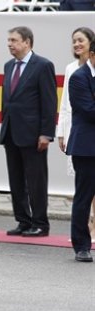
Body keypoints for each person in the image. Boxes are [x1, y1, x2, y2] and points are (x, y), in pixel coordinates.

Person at [0, 26, 57, 238]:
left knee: (36, 181)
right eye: (9, 40)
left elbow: (49, 102)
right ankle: (23, 221)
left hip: (33, 134)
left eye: (14, 40)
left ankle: (41, 223)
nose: (10, 44)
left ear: (27, 42)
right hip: (11, 132)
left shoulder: (42, 66)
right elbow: (7, 100)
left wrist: (46, 133)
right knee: (16, 180)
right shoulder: (8, 66)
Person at [57, 27, 95, 240]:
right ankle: (83, 238)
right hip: (83, 139)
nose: (77, 44)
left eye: (81, 40)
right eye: (74, 41)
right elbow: (70, 106)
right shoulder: (75, 72)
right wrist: (61, 131)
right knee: (84, 192)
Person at [66, 42, 95, 262]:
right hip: (87, 148)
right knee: (84, 197)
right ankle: (82, 245)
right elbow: (88, 110)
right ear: (92, 55)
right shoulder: (78, 77)